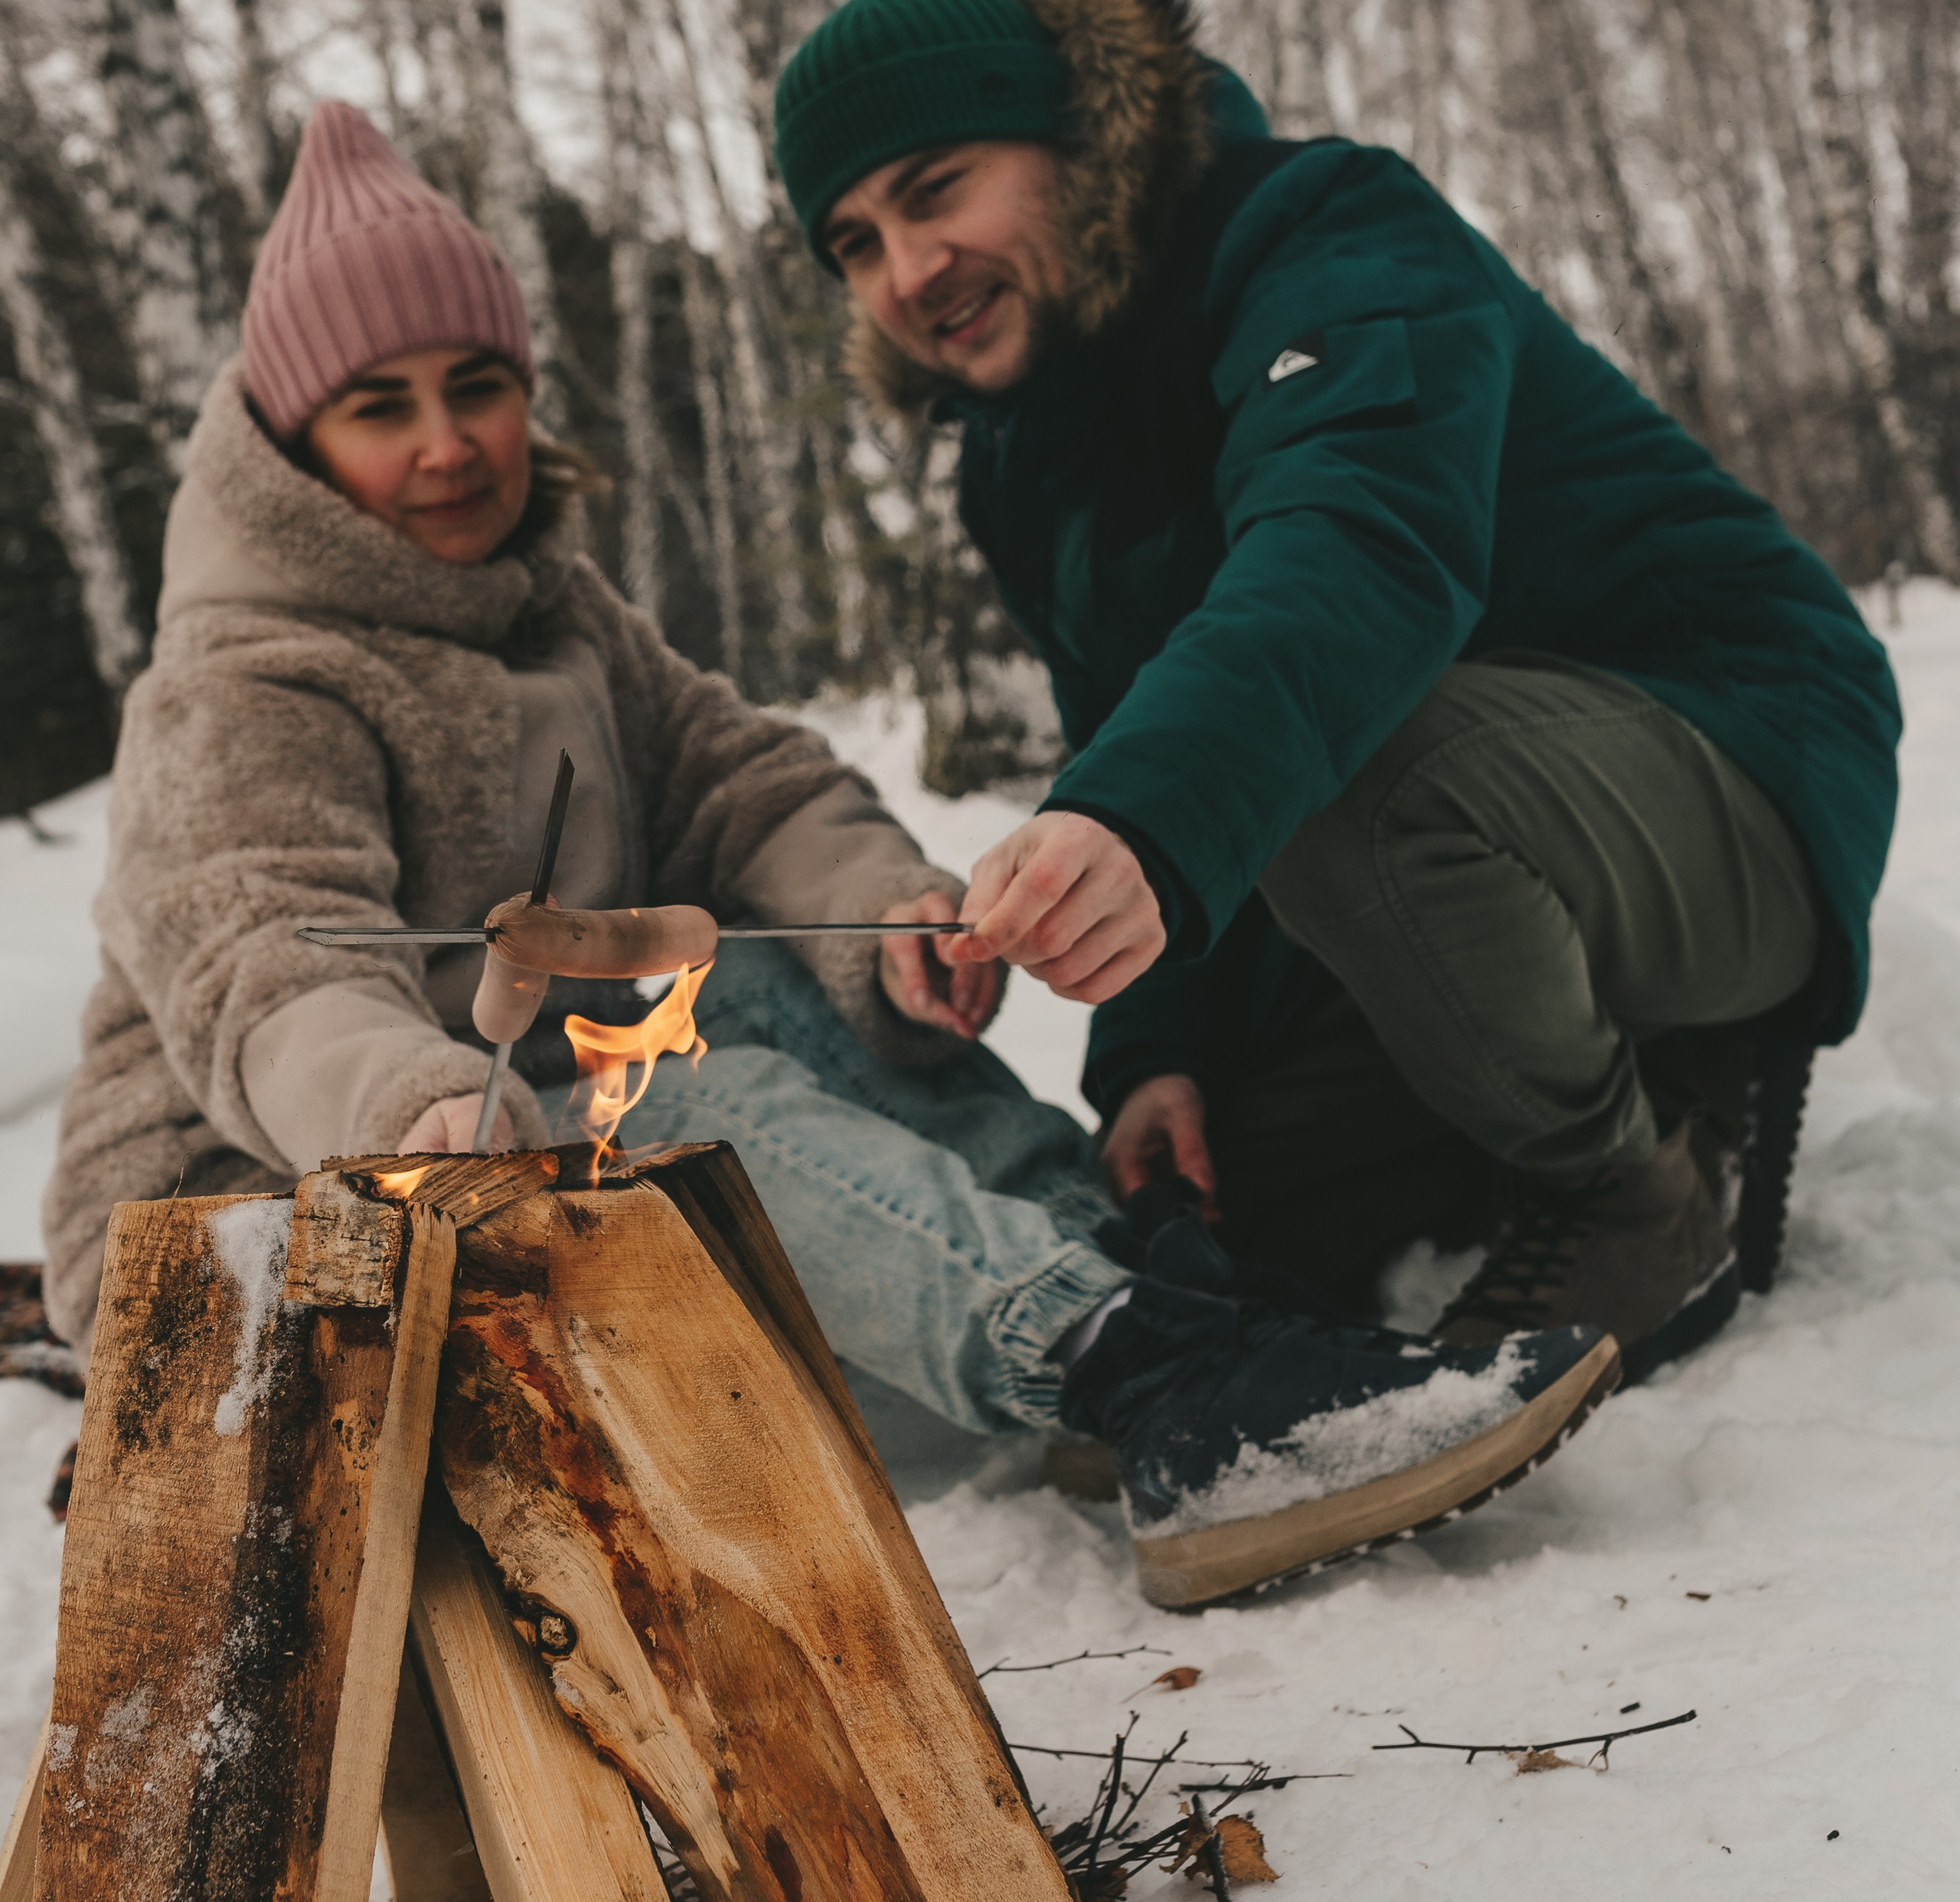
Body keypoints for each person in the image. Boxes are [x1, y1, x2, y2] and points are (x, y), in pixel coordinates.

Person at [43, 97, 1609, 1611]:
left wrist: (880, 917)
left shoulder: (559, 618)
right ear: (297, 444)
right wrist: (415, 1104)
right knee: (665, 1097)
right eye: (383, 407)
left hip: (522, 1174)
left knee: (771, 990)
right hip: (262, 1219)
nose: (451, 444)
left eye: (479, 385)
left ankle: (1147, 1304)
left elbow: (748, 785)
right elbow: (263, 962)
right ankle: (1122, 1363)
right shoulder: (242, 680)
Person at [774, 0, 1900, 1380]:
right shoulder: (1020, 464)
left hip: (1736, 764)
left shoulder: (1326, 231)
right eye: (854, 243)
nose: (908, 273)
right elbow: (1128, 726)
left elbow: (1357, 554)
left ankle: (1636, 1181)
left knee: (1351, 768)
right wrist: (1153, 1055)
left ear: (1071, 142)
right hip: (1458, 839)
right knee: (1257, 1222)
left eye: (936, 192)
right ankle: (1580, 1080)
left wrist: (1137, 822)